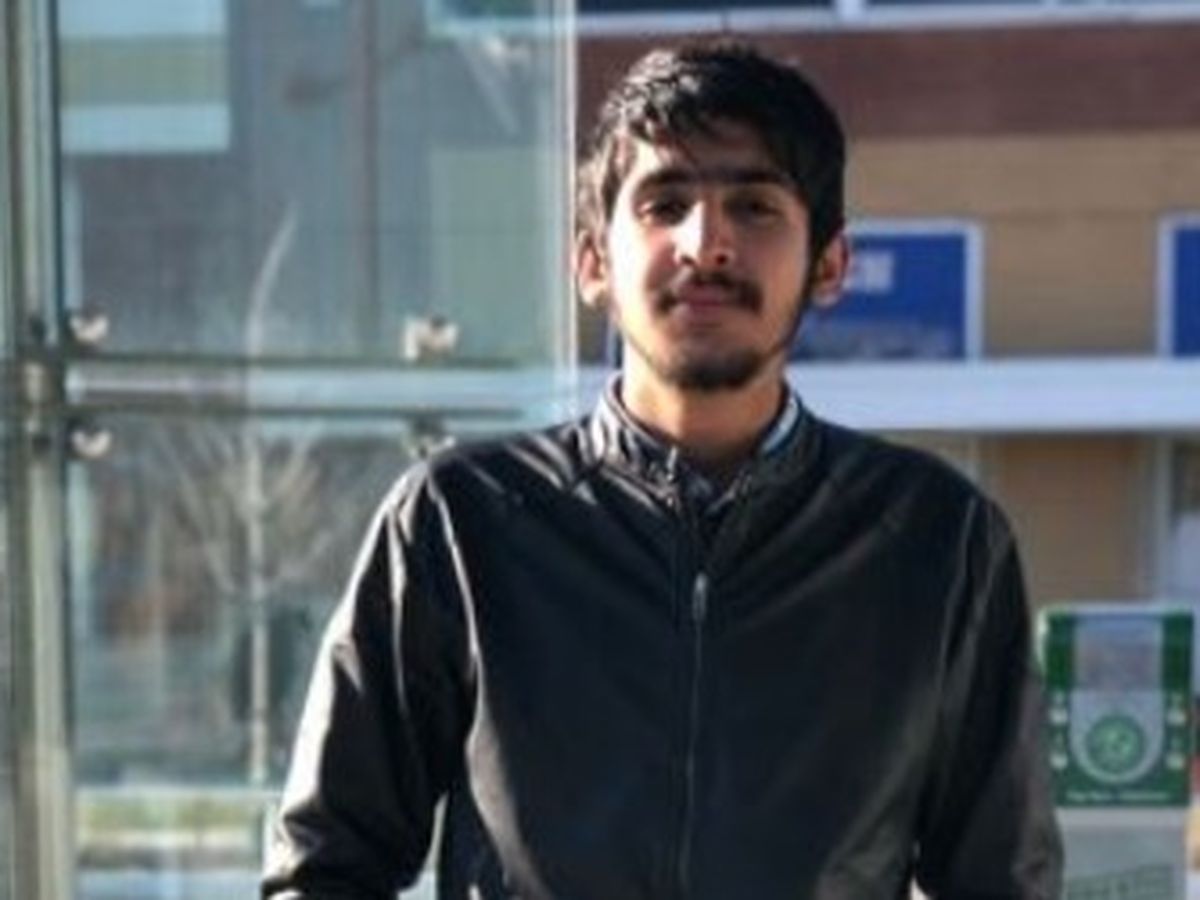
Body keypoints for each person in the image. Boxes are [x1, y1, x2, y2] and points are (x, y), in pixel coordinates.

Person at [262, 42, 1062, 899]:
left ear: (829, 264)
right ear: (592, 262)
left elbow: (1000, 883)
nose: (706, 243)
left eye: (754, 206)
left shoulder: (935, 541)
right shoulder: (463, 522)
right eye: (665, 204)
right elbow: (326, 868)